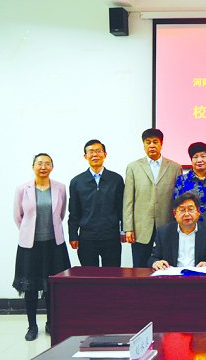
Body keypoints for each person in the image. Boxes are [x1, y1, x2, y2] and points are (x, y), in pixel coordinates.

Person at [13, 153, 71, 341]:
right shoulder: (23, 189)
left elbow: (61, 214)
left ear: (52, 167)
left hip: (54, 246)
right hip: (30, 247)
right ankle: (32, 326)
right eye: (39, 163)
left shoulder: (60, 188)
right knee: (30, 287)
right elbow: (18, 216)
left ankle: (51, 323)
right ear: (33, 167)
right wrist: (30, 233)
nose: (43, 167)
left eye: (47, 164)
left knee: (51, 287)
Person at [123, 128, 182, 267]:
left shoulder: (175, 167)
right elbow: (128, 200)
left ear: (161, 144)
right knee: (139, 267)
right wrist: (128, 228)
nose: (152, 145)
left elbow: (178, 200)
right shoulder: (133, 167)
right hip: (141, 228)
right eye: (148, 142)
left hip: (167, 225)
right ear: (143, 145)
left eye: (155, 142)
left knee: (167, 266)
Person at [68, 139, 124, 267]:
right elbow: (74, 211)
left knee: (112, 275)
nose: (95, 155)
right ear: (85, 156)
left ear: (105, 154)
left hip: (111, 237)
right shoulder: (77, 181)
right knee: (89, 276)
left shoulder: (116, 179)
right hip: (87, 238)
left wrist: (124, 230)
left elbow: (121, 208)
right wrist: (73, 235)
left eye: (98, 151)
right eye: (91, 152)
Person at [148, 192, 206, 269]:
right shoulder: (163, 232)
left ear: (198, 212)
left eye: (190, 209)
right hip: (173, 275)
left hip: (199, 275)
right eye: (182, 210)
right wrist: (156, 262)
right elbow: (153, 258)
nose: (187, 214)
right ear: (175, 214)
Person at [173, 142, 206, 228]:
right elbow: (177, 206)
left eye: (203, 156)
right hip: (187, 228)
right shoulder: (182, 180)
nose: (199, 160)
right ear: (191, 159)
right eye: (195, 157)